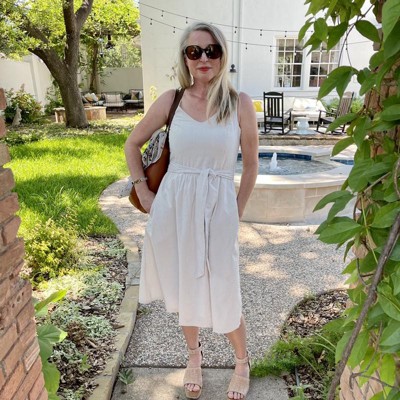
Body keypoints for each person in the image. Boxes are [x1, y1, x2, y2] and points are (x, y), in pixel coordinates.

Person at [125, 21, 259, 400]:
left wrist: (236, 212)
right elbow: (132, 144)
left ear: (222, 56)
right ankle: (194, 356)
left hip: (218, 208)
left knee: (224, 287)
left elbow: (251, 166)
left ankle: (242, 361)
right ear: (185, 57)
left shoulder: (239, 103)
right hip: (174, 209)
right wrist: (143, 192)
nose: (203, 58)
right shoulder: (172, 100)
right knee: (186, 286)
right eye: (194, 51)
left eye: (211, 50)